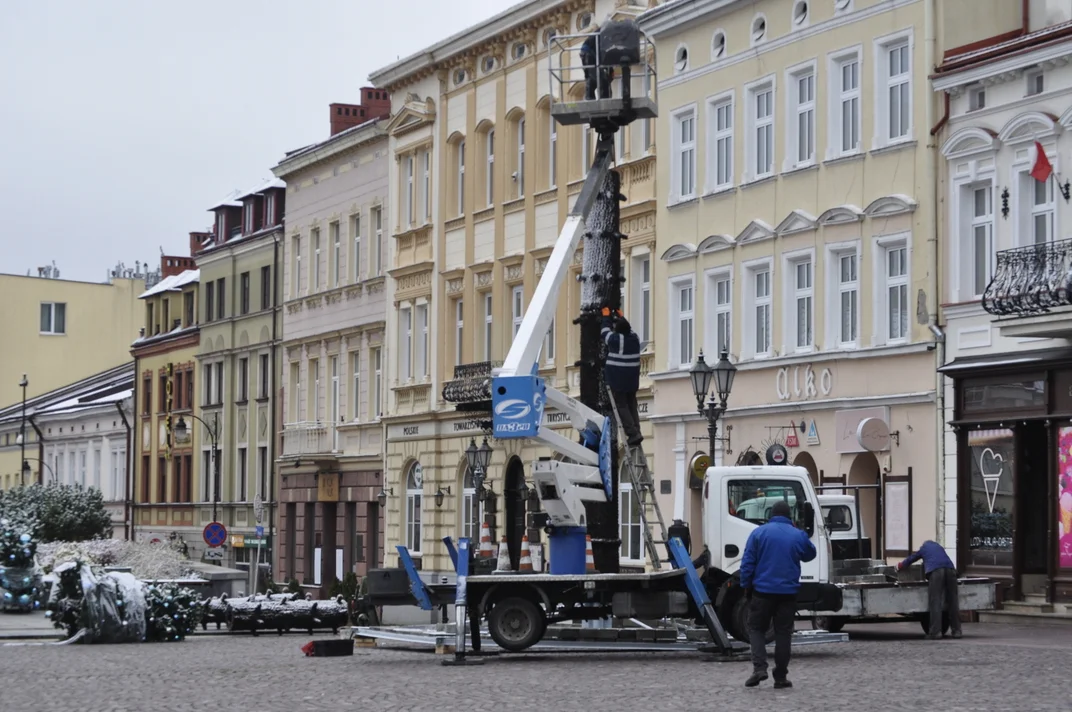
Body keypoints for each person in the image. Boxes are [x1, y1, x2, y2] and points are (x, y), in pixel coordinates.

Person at [739, 500, 817, 689]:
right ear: (789, 516)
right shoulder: (797, 534)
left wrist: (746, 586)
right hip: (788, 593)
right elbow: (810, 554)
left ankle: (759, 668)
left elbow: (748, 563)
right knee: (784, 633)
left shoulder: (758, 533)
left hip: (762, 591)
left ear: (771, 515)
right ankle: (781, 676)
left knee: (756, 629)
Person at [897, 540, 962, 639]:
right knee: (953, 601)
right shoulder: (939, 547)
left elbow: (912, 558)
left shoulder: (924, 548)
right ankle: (957, 631)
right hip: (951, 570)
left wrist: (901, 565)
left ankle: (935, 632)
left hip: (936, 572)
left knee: (935, 601)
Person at [600, 307, 642, 448]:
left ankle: (633, 432)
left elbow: (604, 332)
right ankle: (637, 430)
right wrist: (621, 316)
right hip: (632, 380)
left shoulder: (615, 340)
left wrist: (606, 316)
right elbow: (628, 329)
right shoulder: (634, 338)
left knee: (622, 406)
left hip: (618, 379)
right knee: (632, 405)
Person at [580, 22, 612, 100]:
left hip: (586, 54)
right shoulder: (604, 34)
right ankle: (604, 99)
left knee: (592, 77)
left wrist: (609, 69)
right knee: (602, 79)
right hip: (589, 54)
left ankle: (590, 98)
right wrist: (610, 69)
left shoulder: (602, 33)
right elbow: (603, 54)